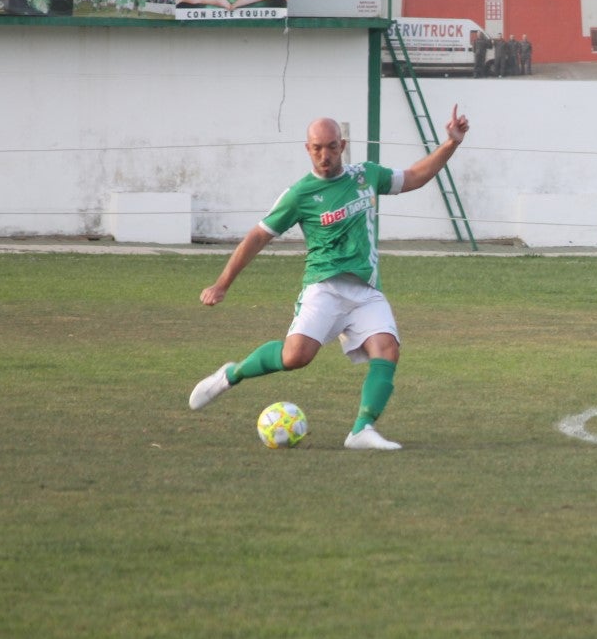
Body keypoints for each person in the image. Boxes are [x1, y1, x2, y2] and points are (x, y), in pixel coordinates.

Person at [188, 108, 471, 450]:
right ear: (307, 149)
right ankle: (231, 374)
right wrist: (222, 284)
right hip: (324, 287)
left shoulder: (366, 176)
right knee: (296, 357)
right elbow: (258, 237)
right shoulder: (300, 195)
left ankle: (361, 431)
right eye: (318, 147)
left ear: (343, 145)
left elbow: (414, 177)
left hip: (366, 291)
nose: (325, 155)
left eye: (332, 147)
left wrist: (451, 143)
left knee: (387, 350)